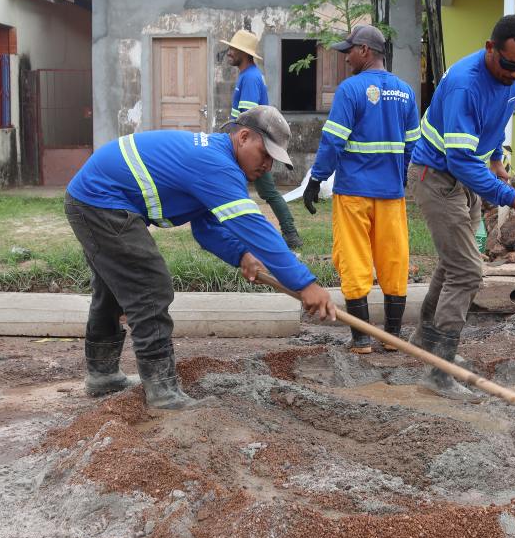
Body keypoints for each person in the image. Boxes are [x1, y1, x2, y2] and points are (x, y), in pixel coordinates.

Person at [65, 105, 336, 409]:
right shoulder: (215, 164)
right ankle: (163, 392)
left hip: (91, 198)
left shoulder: (213, 158)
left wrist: (241, 254)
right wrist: (304, 282)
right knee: (150, 286)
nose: (268, 167)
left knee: (113, 289)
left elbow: (205, 228)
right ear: (244, 137)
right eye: (266, 155)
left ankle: (103, 375)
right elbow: (253, 226)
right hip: (100, 200)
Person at [406, 14, 515, 400]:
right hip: (436, 178)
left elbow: (496, 121)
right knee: (468, 271)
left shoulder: (508, 78)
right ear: (490, 49)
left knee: (454, 264)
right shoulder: (465, 85)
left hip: (462, 180)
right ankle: (439, 372)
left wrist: (498, 158)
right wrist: (513, 199)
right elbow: (461, 161)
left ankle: (428, 340)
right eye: (510, 65)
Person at [302, 25, 419, 354]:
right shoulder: (405, 92)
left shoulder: (350, 90)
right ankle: (393, 337)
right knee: (394, 260)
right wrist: (401, 177)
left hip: (354, 192)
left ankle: (361, 339)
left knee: (354, 259)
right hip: (392, 194)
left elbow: (333, 141)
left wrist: (315, 179)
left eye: (349, 50)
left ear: (365, 51)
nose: (346, 56)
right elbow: (413, 146)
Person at [221, 29, 303, 250]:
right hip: (250, 145)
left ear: (243, 53)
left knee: (266, 192)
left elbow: (246, 122)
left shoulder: (250, 79)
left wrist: (232, 143)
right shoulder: (247, 76)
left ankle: (290, 234)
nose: (229, 53)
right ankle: (287, 234)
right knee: (256, 191)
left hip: (251, 148)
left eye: (232, 49)